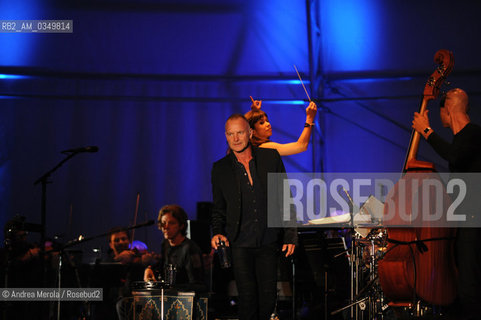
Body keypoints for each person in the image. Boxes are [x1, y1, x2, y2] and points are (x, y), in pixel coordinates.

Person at [211, 113, 297, 320]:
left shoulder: (270, 157)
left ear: (249, 133)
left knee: (268, 298)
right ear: (226, 136)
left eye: (240, 132)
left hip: (268, 239)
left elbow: (284, 196)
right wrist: (217, 232)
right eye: (230, 134)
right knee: (247, 298)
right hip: (239, 242)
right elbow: (218, 208)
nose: (236, 138)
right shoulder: (220, 168)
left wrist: (290, 235)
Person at [412, 88, 481, 318]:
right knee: (464, 291)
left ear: (448, 108)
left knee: (470, 290)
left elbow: (455, 155)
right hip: (464, 224)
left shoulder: (474, 134)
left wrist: (426, 131)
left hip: (474, 224)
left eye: (439, 109)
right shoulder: (462, 140)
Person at [144, 204, 206, 293]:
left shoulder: (190, 248)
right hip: (169, 294)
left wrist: (170, 288)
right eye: (163, 223)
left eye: (171, 223)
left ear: (181, 225)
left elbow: (198, 284)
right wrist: (149, 269)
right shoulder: (165, 244)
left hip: (184, 298)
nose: (166, 227)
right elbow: (162, 268)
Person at [245, 98, 317, 156]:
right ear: (252, 131)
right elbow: (301, 146)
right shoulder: (264, 147)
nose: (268, 124)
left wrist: (255, 112)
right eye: (261, 123)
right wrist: (309, 118)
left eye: (267, 120)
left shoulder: (256, 149)